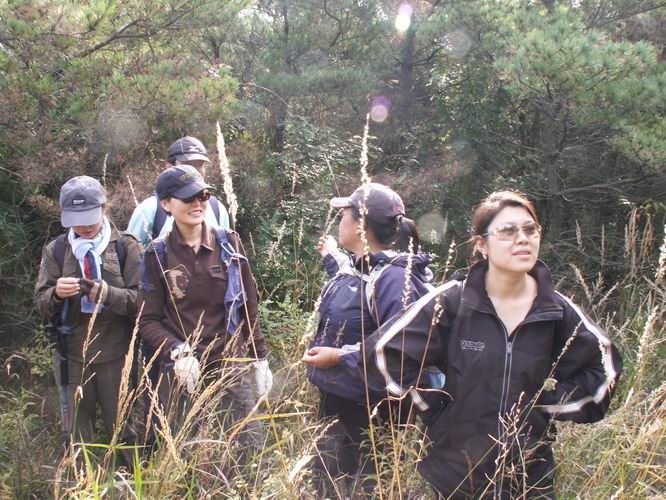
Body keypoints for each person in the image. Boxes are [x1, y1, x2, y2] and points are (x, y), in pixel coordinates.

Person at [304, 190, 622, 498]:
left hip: (529, 476)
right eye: (508, 231)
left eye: (530, 229)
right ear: (482, 244)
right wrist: (436, 412)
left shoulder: (555, 309)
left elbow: (603, 371)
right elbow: (387, 356)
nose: (523, 239)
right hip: (456, 477)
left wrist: (541, 408)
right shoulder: (452, 302)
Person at [305, 183, 435, 494]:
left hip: (371, 415)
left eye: (344, 214)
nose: (339, 221)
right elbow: (351, 284)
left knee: (364, 487)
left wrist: (339, 357)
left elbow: (401, 350)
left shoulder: (393, 279)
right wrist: (329, 255)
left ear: (360, 225)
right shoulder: (361, 266)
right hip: (341, 402)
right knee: (326, 483)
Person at [138, 165, 271, 453]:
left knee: (249, 450)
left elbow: (248, 305)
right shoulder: (157, 254)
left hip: (231, 366)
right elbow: (148, 320)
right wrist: (178, 351)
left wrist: (260, 357)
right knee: (190, 453)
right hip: (184, 374)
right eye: (188, 198)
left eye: (203, 196)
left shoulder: (229, 243)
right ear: (166, 204)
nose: (197, 203)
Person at [34, 176, 141, 464]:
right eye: (76, 220)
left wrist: (108, 294)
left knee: (124, 429)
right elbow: (41, 302)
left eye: (89, 217)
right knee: (76, 435)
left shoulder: (126, 247)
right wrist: (56, 294)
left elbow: (143, 301)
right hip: (71, 356)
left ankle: (131, 481)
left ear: (104, 208)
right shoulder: (56, 250)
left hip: (117, 355)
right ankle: (82, 483)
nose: (83, 226)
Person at [127, 136, 230, 248]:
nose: (194, 171)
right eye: (188, 164)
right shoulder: (148, 209)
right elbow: (132, 254)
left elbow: (227, 252)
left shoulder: (217, 208)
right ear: (168, 166)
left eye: (200, 165)